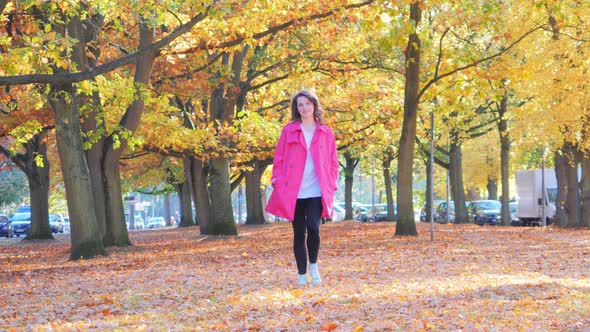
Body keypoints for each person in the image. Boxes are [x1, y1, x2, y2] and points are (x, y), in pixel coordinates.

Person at [265, 89, 339, 286]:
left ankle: (313, 266)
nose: (304, 108)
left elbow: (333, 160)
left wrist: (332, 182)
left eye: (307, 104)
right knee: (299, 231)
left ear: (314, 105)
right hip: (293, 190)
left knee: (313, 227)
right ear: (296, 109)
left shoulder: (325, 131)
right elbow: (279, 157)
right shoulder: (288, 130)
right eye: (300, 105)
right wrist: (277, 180)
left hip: (317, 188)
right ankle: (301, 274)